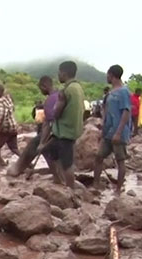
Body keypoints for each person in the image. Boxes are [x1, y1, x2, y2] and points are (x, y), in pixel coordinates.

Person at [41, 61, 85, 189]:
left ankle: (70, 190)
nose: (58, 75)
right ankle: (58, 179)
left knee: (67, 164)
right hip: (70, 130)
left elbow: (56, 113)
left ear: (64, 73)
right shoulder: (78, 87)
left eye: (59, 73)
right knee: (48, 150)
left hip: (65, 132)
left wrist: (53, 111)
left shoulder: (65, 91)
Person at [9, 76, 60, 177]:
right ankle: (56, 173)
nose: (41, 91)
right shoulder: (59, 95)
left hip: (56, 133)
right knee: (40, 145)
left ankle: (18, 168)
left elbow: (48, 124)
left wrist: (42, 142)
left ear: (44, 86)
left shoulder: (50, 100)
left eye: (40, 89)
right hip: (63, 131)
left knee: (38, 145)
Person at [94, 65, 132, 194]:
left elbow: (126, 112)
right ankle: (96, 185)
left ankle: (118, 189)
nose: (106, 77)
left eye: (107, 75)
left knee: (120, 161)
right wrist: (103, 129)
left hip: (118, 133)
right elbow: (106, 112)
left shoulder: (124, 92)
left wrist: (119, 132)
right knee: (99, 157)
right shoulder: (111, 93)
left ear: (112, 75)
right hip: (108, 133)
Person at [0, 84, 19, 171]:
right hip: (13, 127)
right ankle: (29, 163)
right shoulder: (8, 98)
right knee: (14, 148)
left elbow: (2, 115)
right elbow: (9, 110)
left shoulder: (0, 101)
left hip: (6, 129)